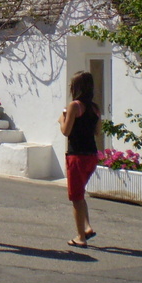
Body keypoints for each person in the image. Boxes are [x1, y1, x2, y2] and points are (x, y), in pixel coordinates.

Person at [58, 70, 100, 249]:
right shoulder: (95, 108)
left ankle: (80, 236)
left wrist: (62, 119)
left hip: (77, 155)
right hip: (91, 154)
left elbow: (66, 131)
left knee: (76, 197)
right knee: (81, 193)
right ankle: (88, 227)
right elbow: (97, 131)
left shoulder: (74, 106)